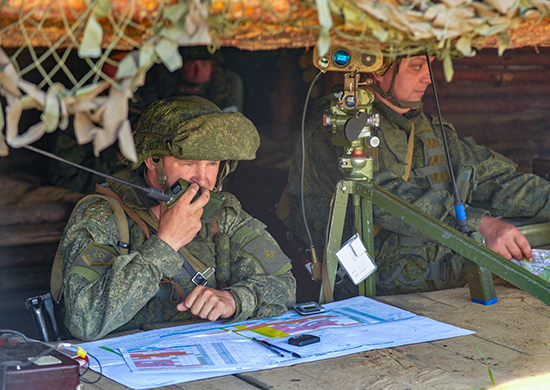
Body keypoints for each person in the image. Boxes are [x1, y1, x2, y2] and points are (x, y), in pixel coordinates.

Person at [287, 55, 550, 298]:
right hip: (369, 297)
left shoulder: (429, 128)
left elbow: (493, 180)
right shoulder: (338, 129)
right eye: (416, 66)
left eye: (429, 65)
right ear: (380, 70)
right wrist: (480, 224)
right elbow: (377, 196)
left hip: (444, 293)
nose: (427, 77)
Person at [56, 96, 296, 341]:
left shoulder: (222, 217)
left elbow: (284, 285)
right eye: (188, 163)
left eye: (212, 164)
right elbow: (83, 322)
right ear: (152, 160)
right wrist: (165, 243)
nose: (202, 179)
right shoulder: (102, 217)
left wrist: (235, 300)